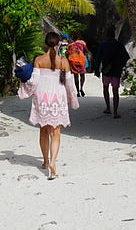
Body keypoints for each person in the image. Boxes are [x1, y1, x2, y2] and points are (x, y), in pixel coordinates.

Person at [18, 32, 79, 179]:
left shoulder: (39, 60)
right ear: (58, 44)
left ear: (46, 44)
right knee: (55, 132)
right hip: (57, 98)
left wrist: (23, 89)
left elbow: (33, 82)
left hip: (42, 98)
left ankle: (45, 161)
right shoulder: (64, 62)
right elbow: (69, 84)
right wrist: (73, 100)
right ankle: (53, 163)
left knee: (43, 131)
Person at [94, 33, 129, 118]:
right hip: (116, 71)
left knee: (105, 88)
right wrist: (120, 65)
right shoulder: (119, 45)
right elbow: (126, 57)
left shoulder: (103, 45)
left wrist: (97, 70)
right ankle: (115, 112)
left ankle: (108, 108)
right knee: (115, 91)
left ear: (107, 36)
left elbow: (98, 58)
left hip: (106, 71)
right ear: (114, 35)